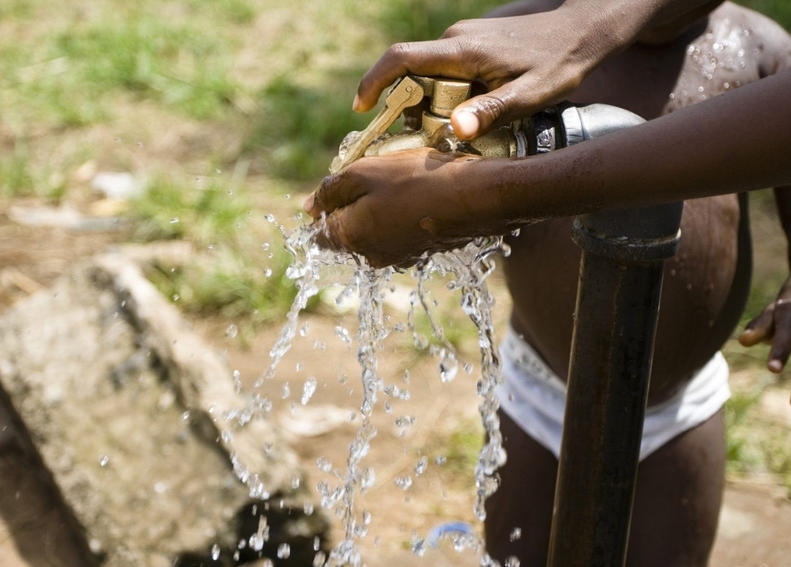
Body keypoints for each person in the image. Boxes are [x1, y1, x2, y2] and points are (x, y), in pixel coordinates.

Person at [304, 1, 791, 565]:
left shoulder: (757, 46)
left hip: (681, 407)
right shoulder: (520, 41)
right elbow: (441, 170)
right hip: (539, 396)